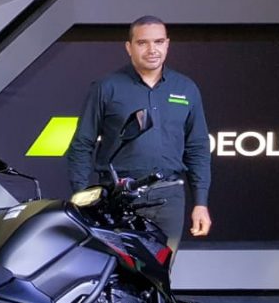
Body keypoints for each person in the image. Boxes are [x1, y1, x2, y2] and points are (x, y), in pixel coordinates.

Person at [66, 15, 212, 252]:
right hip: (118, 197)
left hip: (169, 197)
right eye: (143, 43)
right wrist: (81, 199)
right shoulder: (107, 87)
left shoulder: (186, 88)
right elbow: (81, 144)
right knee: (117, 269)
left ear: (167, 44)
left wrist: (201, 203)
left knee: (160, 270)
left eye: (159, 41)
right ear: (129, 47)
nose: (152, 49)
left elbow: (198, 148)